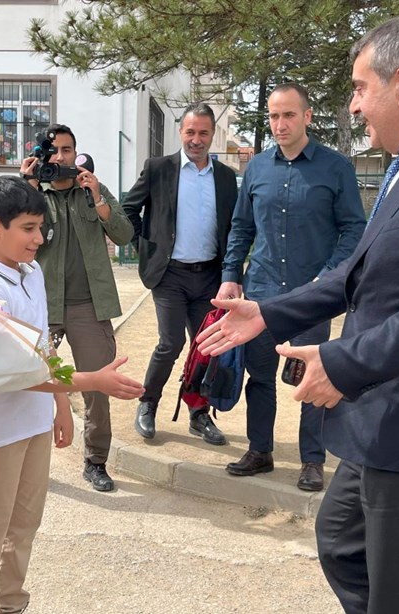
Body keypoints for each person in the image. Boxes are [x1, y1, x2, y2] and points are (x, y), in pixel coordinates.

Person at [196, 16, 399, 613]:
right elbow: (359, 274)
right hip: (390, 412)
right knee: (343, 543)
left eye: (358, 88)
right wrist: (269, 312)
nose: (352, 106)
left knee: (398, 590)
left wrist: (342, 363)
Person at [0, 176, 142, 613]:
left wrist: (59, 406)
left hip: (34, 423)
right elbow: (14, 372)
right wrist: (92, 382)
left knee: (23, 528)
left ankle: (11, 605)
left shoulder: (31, 272)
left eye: (41, 228)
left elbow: (42, 345)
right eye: (29, 228)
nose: (39, 239)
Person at [217, 83, 366, 491]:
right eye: (273, 116)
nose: (280, 124)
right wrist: (232, 274)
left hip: (311, 296)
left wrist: (331, 274)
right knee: (259, 375)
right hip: (262, 292)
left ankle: (312, 460)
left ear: (307, 117)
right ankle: (260, 450)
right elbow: (242, 227)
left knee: (310, 378)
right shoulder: (258, 169)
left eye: (288, 115)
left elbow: (355, 228)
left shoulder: (336, 169)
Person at [21, 123, 135, 492]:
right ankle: (26, 459)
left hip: (89, 305)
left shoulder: (93, 190)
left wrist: (99, 197)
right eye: (51, 151)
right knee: (29, 383)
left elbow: (125, 235)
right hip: (42, 305)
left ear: (76, 153)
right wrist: (27, 190)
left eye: (66, 150)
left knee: (98, 389)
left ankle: (95, 461)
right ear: (41, 156)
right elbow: (12, 238)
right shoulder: (33, 194)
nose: (59, 157)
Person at [122, 102, 238, 446]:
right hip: (170, 274)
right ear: (180, 132)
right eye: (190, 132)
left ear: (213, 135)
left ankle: (198, 413)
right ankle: (148, 403)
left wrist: (233, 273)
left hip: (209, 277)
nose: (197, 139)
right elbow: (129, 209)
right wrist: (148, 244)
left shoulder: (226, 177)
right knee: (170, 343)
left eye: (203, 133)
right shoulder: (158, 168)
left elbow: (234, 227)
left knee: (205, 347)